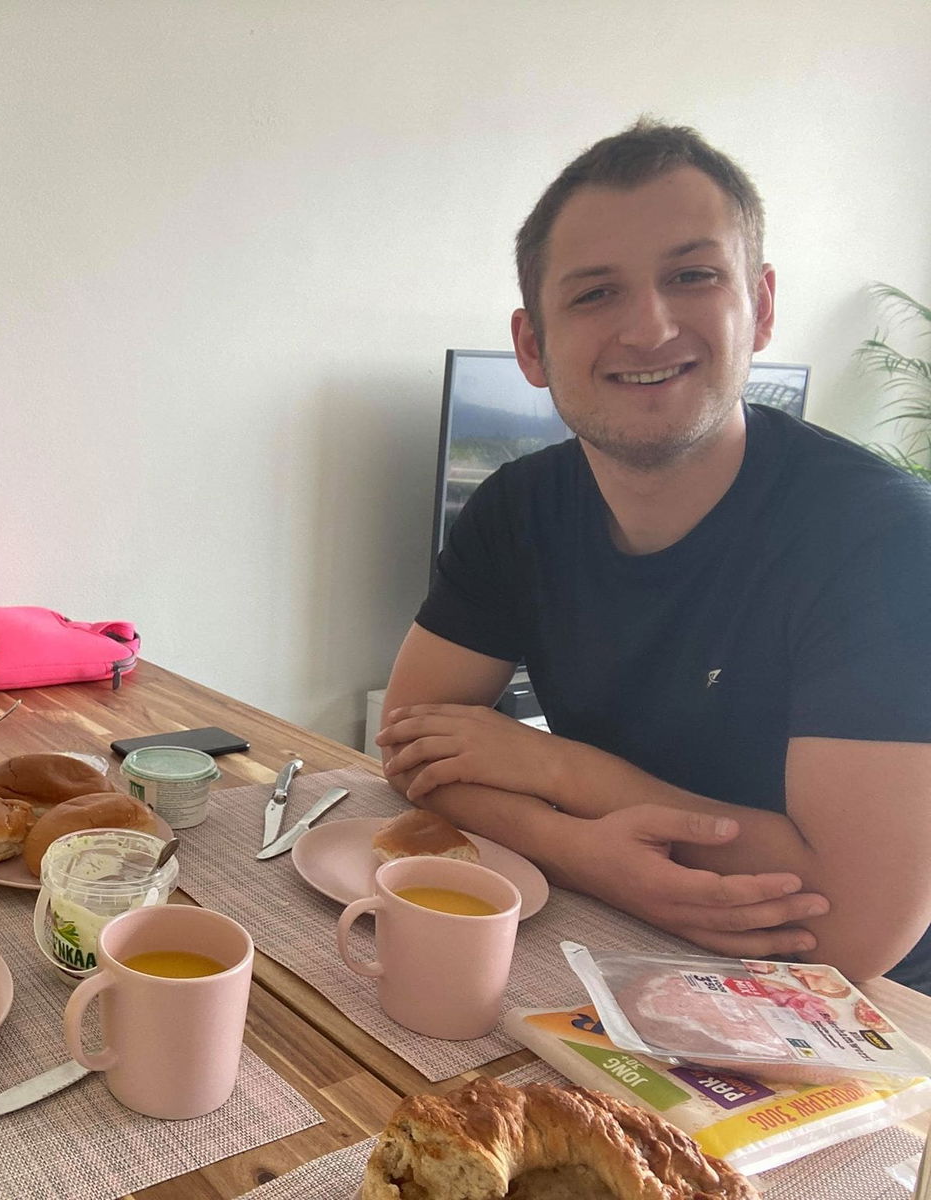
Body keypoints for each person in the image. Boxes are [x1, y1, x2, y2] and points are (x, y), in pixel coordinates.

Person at [375, 121, 931, 993]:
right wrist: (584, 853)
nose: (649, 327)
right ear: (532, 346)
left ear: (762, 306)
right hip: (608, 929)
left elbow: (852, 924)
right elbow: (412, 750)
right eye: (596, 292)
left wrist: (556, 769)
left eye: (692, 276)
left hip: (851, 1004)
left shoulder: (884, 541)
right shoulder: (516, 510)